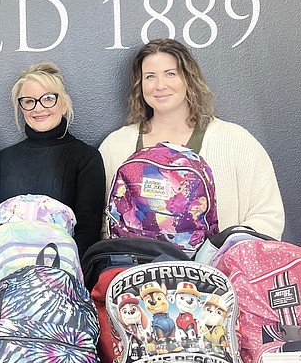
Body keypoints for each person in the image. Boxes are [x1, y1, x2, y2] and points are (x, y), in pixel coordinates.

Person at [99, 38, 284, 239]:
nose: (160, 85)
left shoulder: (236, 142)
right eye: (150, 76)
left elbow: (267, 217)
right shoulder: (116, 147)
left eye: (170, 74)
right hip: (137, 268)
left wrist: (220, 256)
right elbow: (102, 225)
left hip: (220, 268)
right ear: (139, 84)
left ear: (189, 78)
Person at [0, 62, 105, 258]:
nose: (38, 108)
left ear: (64, 104)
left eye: (48, 98)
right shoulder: (3, 159)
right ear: (22, 108)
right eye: (29, 101)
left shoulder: (87, 158)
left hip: (63, 274)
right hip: (8, 271)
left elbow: (88, 230)